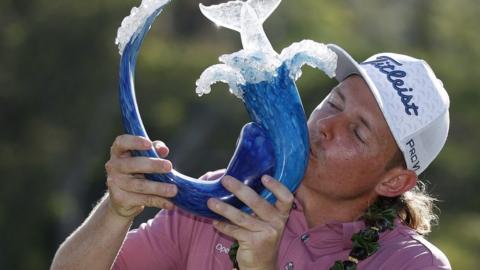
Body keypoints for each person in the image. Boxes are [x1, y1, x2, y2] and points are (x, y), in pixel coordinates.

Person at [51, 44, 452, 270]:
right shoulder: (223, 194)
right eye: (334, 102)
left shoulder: (412, 265)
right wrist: (118, 210)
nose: (326, 126)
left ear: (393, 181)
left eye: (358, 131)